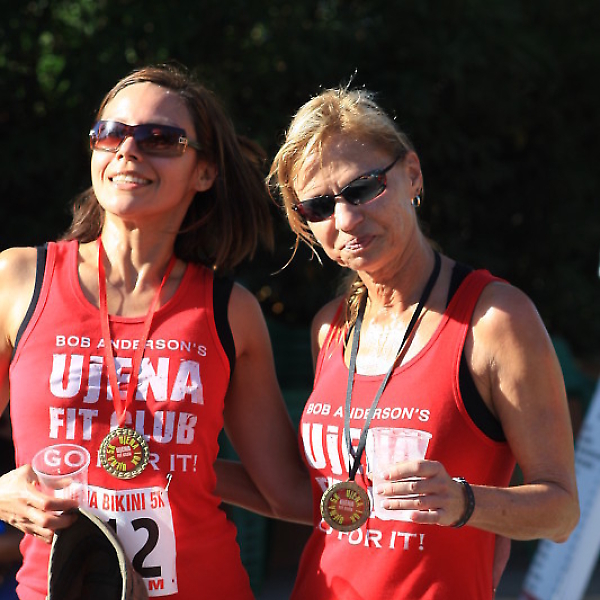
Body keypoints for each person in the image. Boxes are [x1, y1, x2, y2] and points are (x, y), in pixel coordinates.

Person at [0, 63, 310, 600]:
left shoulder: (230, 310)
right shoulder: (18, 279)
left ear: (204, 172)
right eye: (110, 133)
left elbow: (288, 493)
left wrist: (452, 497)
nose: (127, 150)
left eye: (160, 139)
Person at [260, 85, 579, 599]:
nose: (346, 219)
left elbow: (561, 512)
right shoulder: (330, 327)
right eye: (319, 206)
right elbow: (310, 498)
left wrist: (464, 502)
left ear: (412, 173)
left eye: (363, 188)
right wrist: (179, 469)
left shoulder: (494, 319)